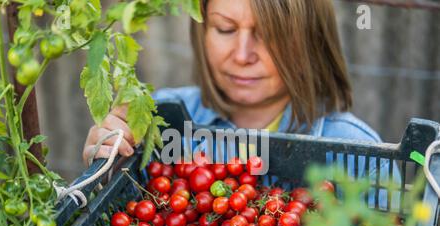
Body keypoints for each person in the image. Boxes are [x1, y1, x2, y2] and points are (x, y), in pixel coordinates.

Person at [83, 0, 382, 171]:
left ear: (310, 40)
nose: (242, 55)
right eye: (225, 29)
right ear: (202, 31)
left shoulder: (357, 152)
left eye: (267, 34)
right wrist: (108, 162)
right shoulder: (161, 118)